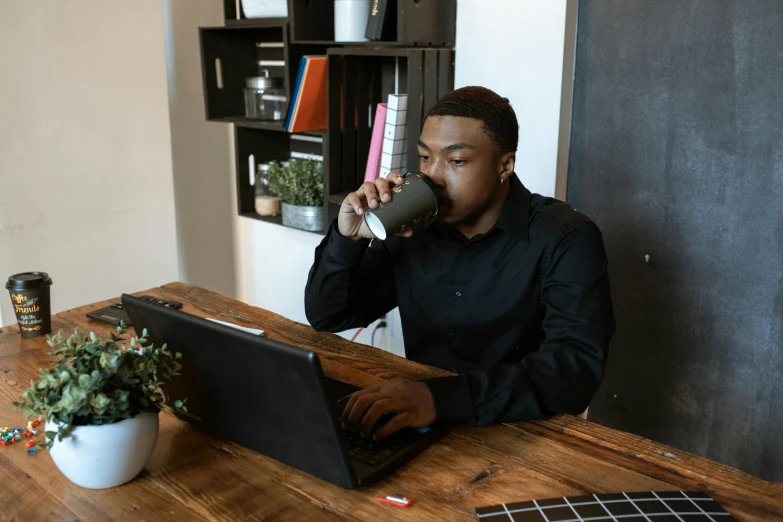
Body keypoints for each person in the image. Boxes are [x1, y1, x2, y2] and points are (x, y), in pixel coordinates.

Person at [305, 86, 615, 441]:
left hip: (521, 436)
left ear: (505, 165)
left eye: (456, 161)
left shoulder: (566, 237)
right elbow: (328, 315)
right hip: (419, 426)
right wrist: (349, 239)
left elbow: (574, 371)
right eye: (424, 157)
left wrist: (440, 397)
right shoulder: (415, 229)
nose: (433, 176)